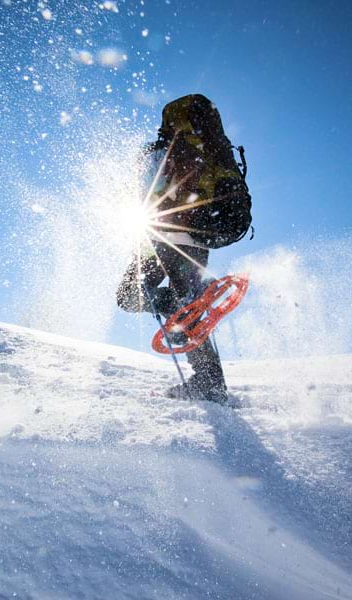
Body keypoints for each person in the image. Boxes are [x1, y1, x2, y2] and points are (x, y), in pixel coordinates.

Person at [116, 94, 252, 403]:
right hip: (193, 236)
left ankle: (209, 383)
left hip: (167, 237)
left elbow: (145, 198)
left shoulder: (160, 152)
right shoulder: (200, 151)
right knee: (143, 298)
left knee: (132, 295)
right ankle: (187, 309)